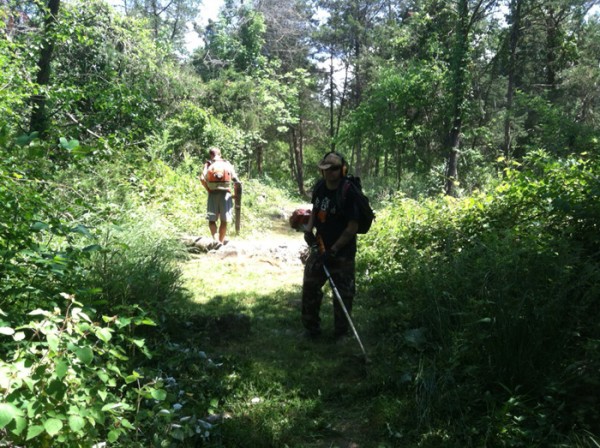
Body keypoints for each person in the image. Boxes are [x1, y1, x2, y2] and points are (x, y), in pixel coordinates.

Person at [302, 152, 360, 340]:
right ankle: (311, 329)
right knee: (310, 285)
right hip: (320, 247)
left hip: (342, 252)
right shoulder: (320, 187)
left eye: (334, 168)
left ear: (342, 169)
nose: (329, 173)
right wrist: (308, 230)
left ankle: (341, 334)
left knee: (343, 293)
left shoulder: (349, 192)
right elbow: (315, 209)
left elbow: (352, 227)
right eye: (326, 168)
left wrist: (334, 250)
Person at [200, 147, 240, 248]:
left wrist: (208, 189)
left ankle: (215, 240)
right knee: (224, 220)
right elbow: (236, 181)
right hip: (226, 194)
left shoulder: (209, 164)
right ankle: (221, 243)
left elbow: (201, 178)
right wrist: (235, 195)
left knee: (212, 220)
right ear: (220, 154)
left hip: (212, 194)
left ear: (211, 155)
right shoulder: (227, 164)